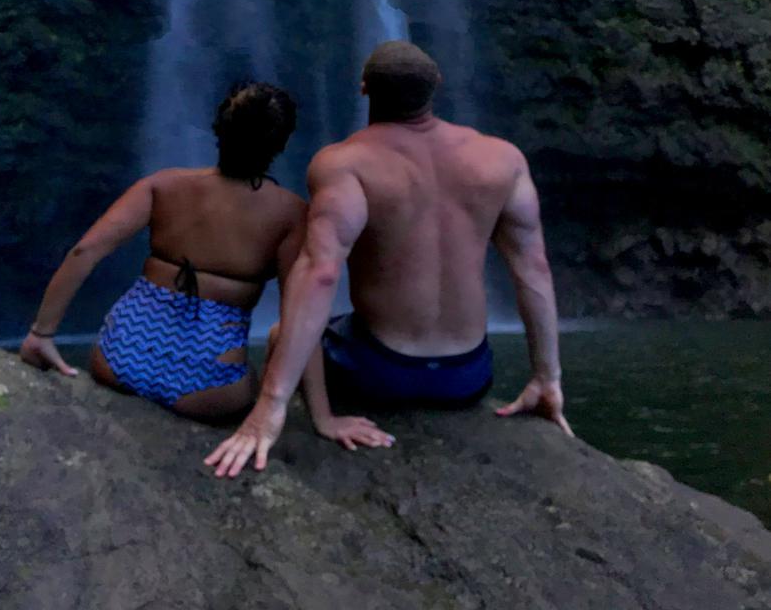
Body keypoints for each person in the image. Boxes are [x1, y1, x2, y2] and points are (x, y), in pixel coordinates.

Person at [206, 40, 572, 477]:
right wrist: (547, 377)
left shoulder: (345, 163)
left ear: (364, 89)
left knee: (286, 327)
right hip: (467, 377)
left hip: (379, 372)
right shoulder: (502, 158)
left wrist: (270, 404)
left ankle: (303, 415)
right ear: (436, 85)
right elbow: (534, 269)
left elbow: (321, 274)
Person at [20, 79, 393, 448]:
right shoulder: (291, 214)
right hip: (209, 390)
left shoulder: (162, 185)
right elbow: (300, 313)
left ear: (218, 129)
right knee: (279, 335)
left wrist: (42, 333)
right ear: (281, 144)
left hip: (118, 362)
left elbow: (85, 252)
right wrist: (323, 418)